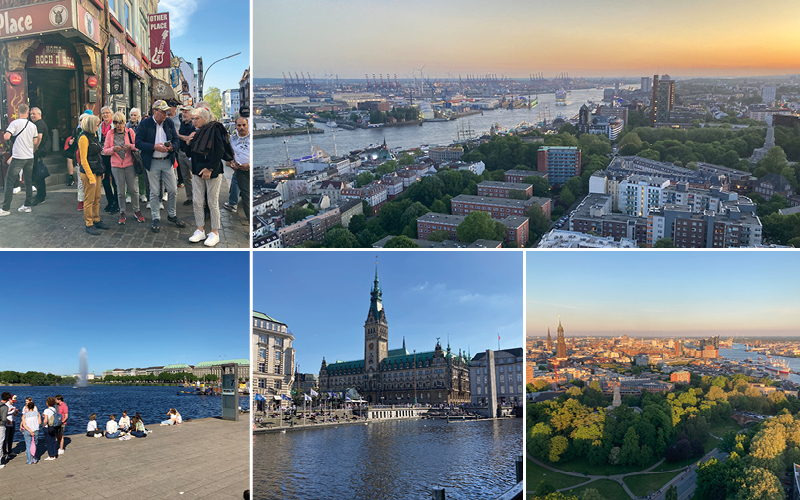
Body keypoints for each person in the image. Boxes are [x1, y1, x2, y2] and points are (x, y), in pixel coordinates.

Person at [135, 100, 186, 233]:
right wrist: (153, 147)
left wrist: (171, 148)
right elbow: (138, 142)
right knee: (154, 191)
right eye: (163, 111)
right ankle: (155, 217)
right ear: (155, 111)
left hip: (167, 160)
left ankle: (172, 214)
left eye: (166, 111)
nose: (165, 114)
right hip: (152, 162)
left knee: (173, 189)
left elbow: (176, 140)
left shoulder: (168, 122)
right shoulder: (145, 123)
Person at [187, 106, 227, 247]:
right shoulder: (198, 133)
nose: (194, 121)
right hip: (198, 170)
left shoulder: (214, 129)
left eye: (196, 118)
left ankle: (214, 232)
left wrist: (210, 167)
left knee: (212, 202)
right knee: (197, 201)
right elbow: (191, 153)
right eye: (193, 119)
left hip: (212, 171)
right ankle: (200, 230)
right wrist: (188, 142)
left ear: (205, 118)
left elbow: (219, 151)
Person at [103, 111, 144, 224]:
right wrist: (112, 150)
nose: (119, 125)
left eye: (121, 122)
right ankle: (122, 211)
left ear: (124, 122)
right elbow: (105, 150)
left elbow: (138, 145)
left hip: (130, 164)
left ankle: (137, 210)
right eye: (116, 123)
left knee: (134, 190)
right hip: (116, 165)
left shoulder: (130, 132)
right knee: (120, 191)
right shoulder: (110, 134)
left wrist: (130, 146)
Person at [1, 104, 40, 217]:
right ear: (28, 113)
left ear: (19, 112)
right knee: (28, 181)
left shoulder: (15, 123)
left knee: (9, 181)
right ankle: (27, 206)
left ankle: (5, 208)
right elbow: (35, 141)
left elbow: (6, 137)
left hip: (18, 157)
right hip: (29, 157)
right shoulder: (33, 126)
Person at [77, 114, 109, 235]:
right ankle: (89, 223)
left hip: (96, 171)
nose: (99, 126)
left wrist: (101, 171)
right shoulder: (84, 138)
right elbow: (83, 160)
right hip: (88, 173)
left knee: (97, 198)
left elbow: (97, 155)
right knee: (89, 200)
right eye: (97, 124)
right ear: (91, 125)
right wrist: (91, 177)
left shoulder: (93, 135)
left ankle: (96, 219)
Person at [226, 116, 251, 221]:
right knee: (246, 195)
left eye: (244, 125)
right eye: (239, 125)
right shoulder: (232, 139)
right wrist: (232, 162)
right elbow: (231, 155)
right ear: (235, 126)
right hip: (241, 170)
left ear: (248, 125)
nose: (241, 127)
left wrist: (249, 164)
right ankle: (249, 218)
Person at [30, 107, 51, 206]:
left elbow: (39, 137)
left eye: (34, 114)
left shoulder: (39, 124)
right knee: (38, 174)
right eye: (31, 114)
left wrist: (34, 150)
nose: (32, 116)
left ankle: (40, 197)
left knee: (38, 175)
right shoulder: (39, 123)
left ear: (39, 114)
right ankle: (41, 194)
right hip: (39, 152)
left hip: (38, 152)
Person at [99, 106, 119, 213]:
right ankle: (110, 201)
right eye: (103, 113)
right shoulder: (100, 126)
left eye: (107, 113)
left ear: (111, 114)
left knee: (115, 180)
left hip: (113, 155)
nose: (105, 115)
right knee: (105, 180)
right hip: (102, 156)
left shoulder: (114, 125)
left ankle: (116, 203)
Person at [176, 106, 196, 206]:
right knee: (185, 177)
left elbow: (189, 138)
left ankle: (198, 197)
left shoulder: (193, 125)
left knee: (196, 176)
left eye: (186, 112)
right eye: (183, 112)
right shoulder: (182, 124)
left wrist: (179, 135)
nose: (184, 114)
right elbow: (185, 138)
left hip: (190, 154)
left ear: (191, 113)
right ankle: (190, 197)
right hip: (181, 152)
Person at [20, 398, 40, 465]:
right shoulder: (37, 413)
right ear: (34, 407)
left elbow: (24, 425)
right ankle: (35, 459)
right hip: (36, 430)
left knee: (28, 446)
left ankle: (29, 460)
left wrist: (30, 431)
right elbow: (40, 422)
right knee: (35, 444)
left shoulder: (24, 415)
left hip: (28, 431)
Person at [3, 394, 17, 459]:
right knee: (6, 438)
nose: (13, 402)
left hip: (13, 422)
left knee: (11, 437)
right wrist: (9, 411)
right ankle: (5, 452)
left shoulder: (13, 405)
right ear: (9, 399)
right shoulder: (6, 405)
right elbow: (3, 414)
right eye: (12, 400)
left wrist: (16, 412)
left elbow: (14, 414)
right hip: (7, 423)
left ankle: (10, 451)